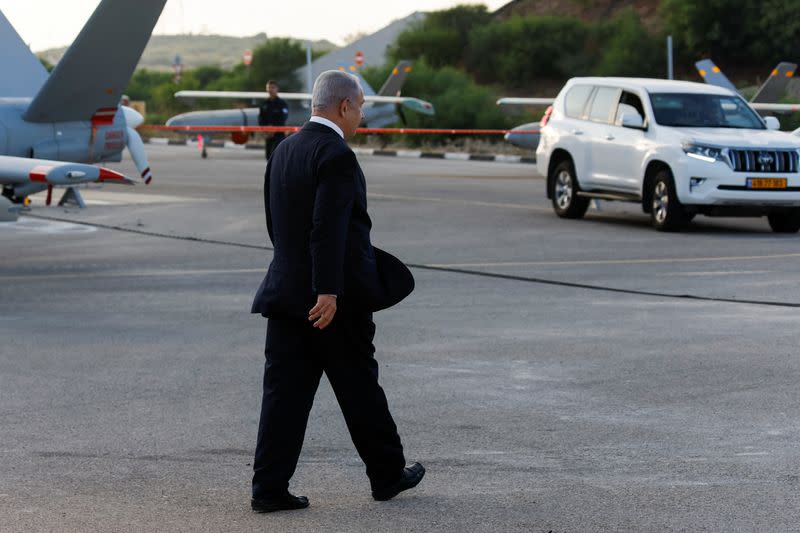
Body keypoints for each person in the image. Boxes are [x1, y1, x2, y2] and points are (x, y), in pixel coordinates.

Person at [250, 70, 424, 513]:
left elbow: (278, 227)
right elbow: (327, 227)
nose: (362, 116)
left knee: (282, 399)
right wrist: (326, 290)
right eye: (361, 107)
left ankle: (268, 489)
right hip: (332, 303)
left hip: (285, 296)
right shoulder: (337, 155)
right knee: (361, 389)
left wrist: (298, 277)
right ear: (344, 106)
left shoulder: (284, 150)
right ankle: (386, 475)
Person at [258, 80, 289, 160]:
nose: (270, 90)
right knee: (268, 157)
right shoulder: (264, 103)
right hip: (268, 134)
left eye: (272, 87)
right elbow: (261, 118)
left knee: (277, 157)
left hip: (278, 135)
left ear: (277, 89)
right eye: (268, 88)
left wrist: (273, 129)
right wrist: (265, 130)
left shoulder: (282, 103)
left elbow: (283, 118)